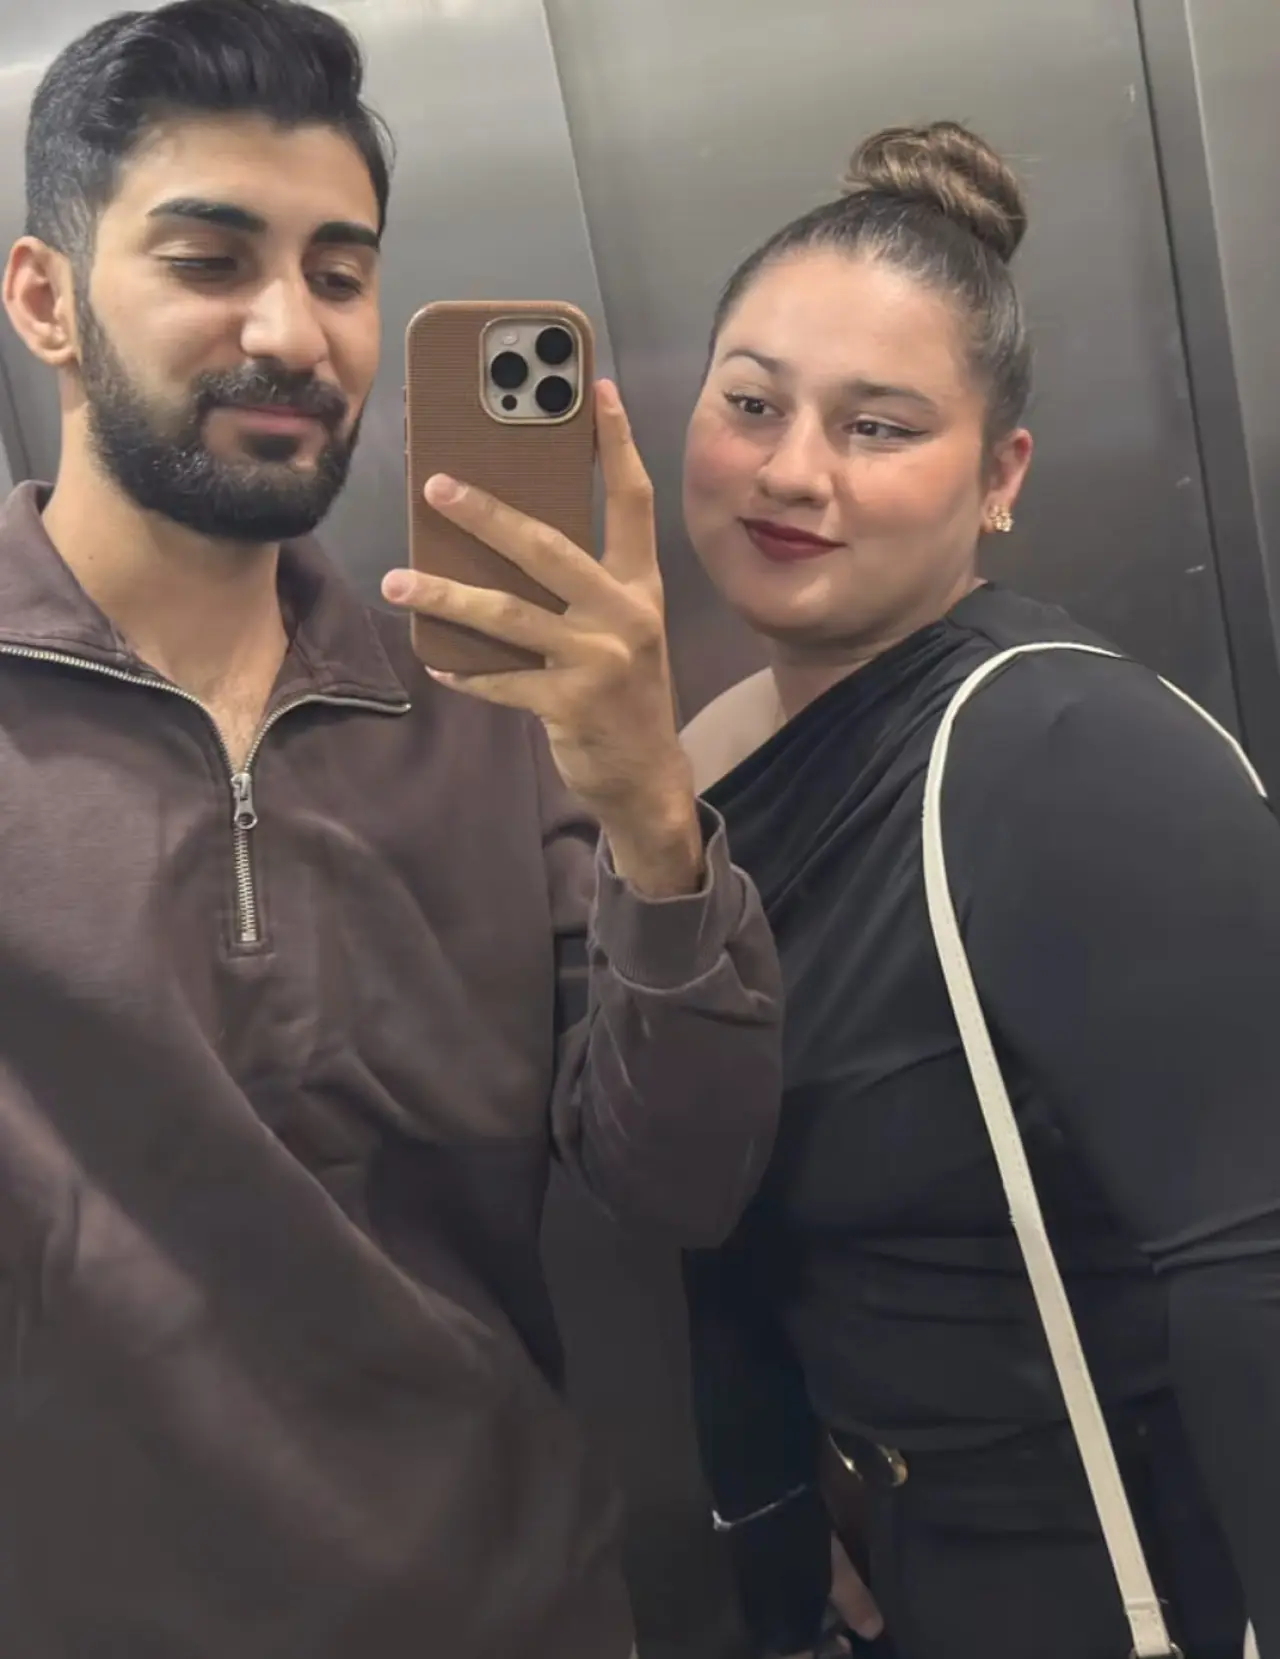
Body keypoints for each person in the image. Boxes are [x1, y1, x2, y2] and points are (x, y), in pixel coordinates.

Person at [0, 2, 784, 1654]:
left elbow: (682, 1183)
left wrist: (651, 810)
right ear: (44, 298)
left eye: (341, 272)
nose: (293, 331)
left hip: (511, 1603)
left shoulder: (491, 715)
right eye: (210, 261)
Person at [677, 121, 1280, 1659]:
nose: (791, 470)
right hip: (906, 1565)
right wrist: (777, 1500)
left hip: (1121, 1575)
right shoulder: (694, 763)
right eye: (751, 402)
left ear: (1001, 476)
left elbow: (1256, 1261)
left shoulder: (1066, 744)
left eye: (878, 426)